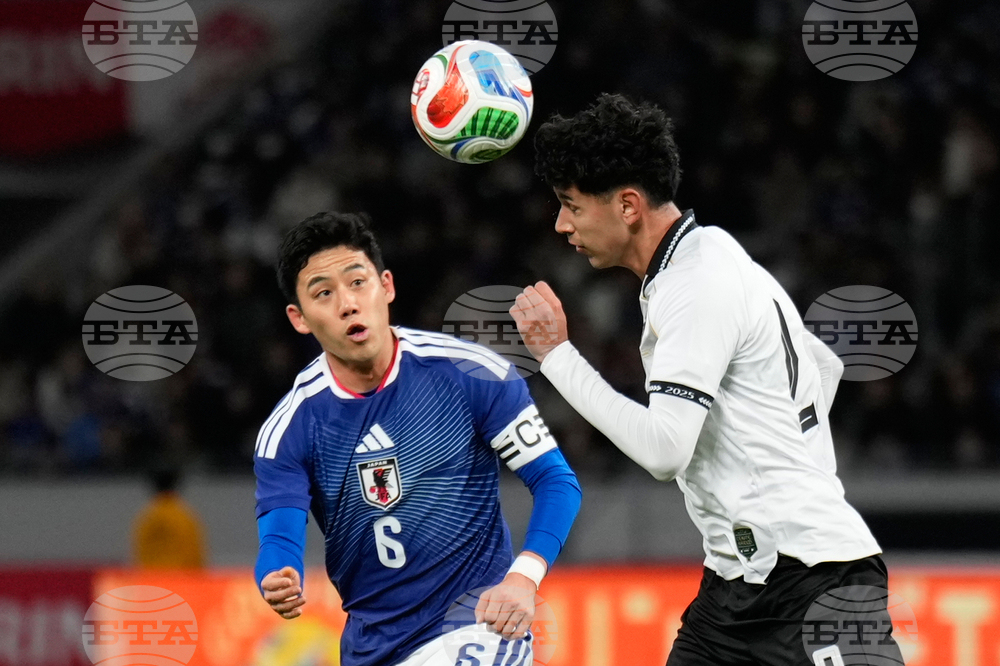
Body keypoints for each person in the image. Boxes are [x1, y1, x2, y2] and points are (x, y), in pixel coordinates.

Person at [510, 94, 902, 665]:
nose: (561, 224)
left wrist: (556, 357)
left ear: (627, 205)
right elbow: (823, 366)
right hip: (734, 590)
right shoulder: (709, 255)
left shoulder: (695, 281)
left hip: (813, 580)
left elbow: (665, 451)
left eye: (571, 205)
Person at [253, 211, 581, 666]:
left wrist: (524, 576)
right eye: (323, 293)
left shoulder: (472, 373)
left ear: (386, 286)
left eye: (358, 282)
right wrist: (275, 575)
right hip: (375, 649)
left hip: (478, 627)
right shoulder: (290, 428)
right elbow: (279, 540)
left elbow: (555, 480)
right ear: (299, 318)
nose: (347, 304)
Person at [132, 467, 206, 569]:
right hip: (181, 575)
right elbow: (194, 551)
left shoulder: (147, 517)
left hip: (152, 575)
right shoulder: (185, 516)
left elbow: (139, 551)